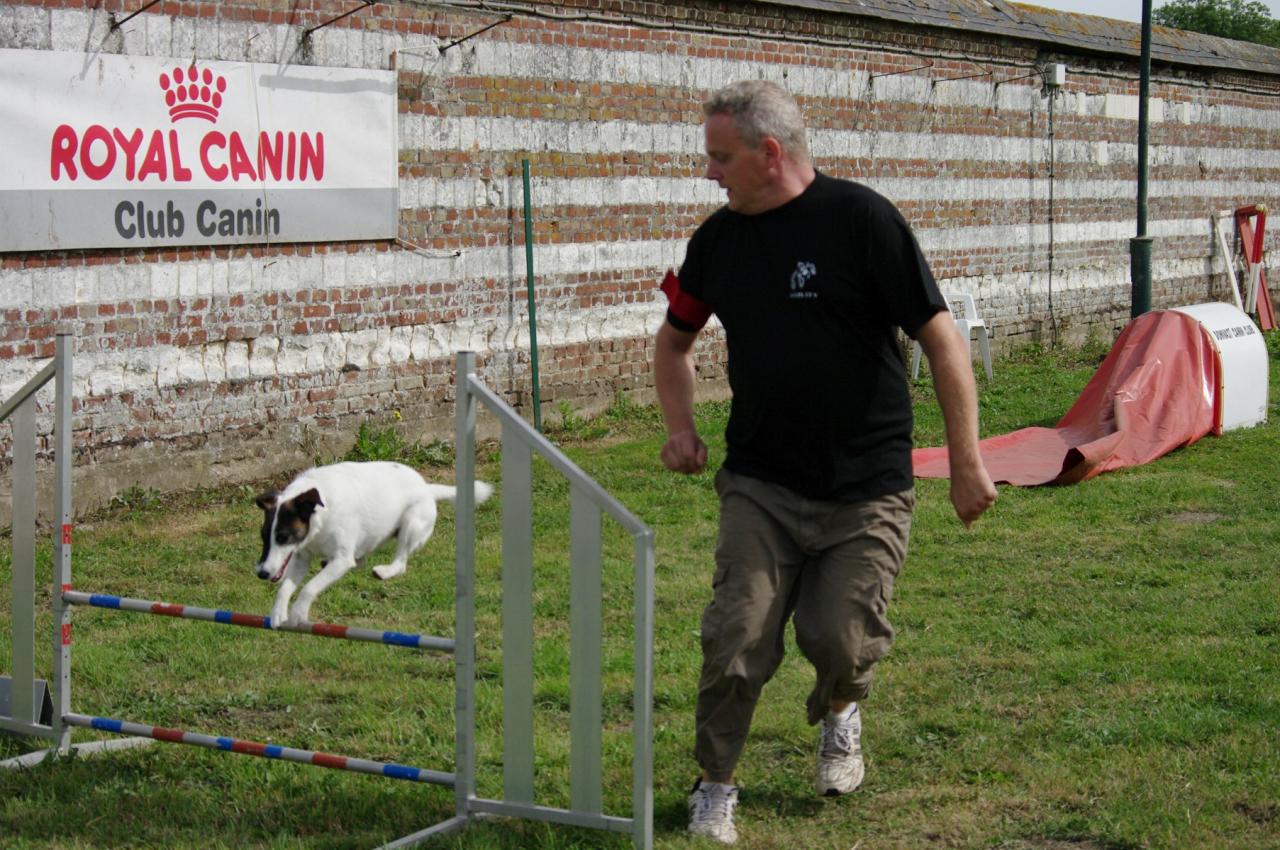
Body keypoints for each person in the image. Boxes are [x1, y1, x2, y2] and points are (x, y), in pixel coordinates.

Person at [653, 80, 997, 845]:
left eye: (720, 157)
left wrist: (967, 462)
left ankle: (842, 711)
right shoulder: (719, 240)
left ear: (768, 154)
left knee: (839, 638)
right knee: (736, 637)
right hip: (761, 484)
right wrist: (679, 426)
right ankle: (715, 786)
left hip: (866, 486)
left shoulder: (862, 222)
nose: (709, 173)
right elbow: (673, 341)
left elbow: (942, 339)